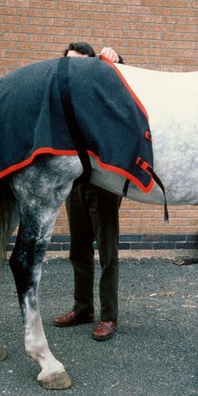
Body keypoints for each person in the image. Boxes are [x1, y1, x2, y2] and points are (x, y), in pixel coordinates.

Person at [53, 42, 124, 341]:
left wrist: (118, 60)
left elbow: (124, 84)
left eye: (80, 63)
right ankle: (83, 308)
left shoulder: (103, 90)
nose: (73, 70)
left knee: (108, 253)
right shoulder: (65, 96)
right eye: (69, 63)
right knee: (78, 250)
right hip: (76, 182)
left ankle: (109, 316)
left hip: (105, 183)